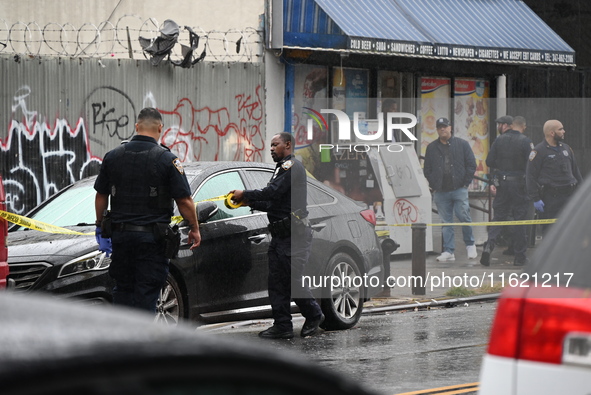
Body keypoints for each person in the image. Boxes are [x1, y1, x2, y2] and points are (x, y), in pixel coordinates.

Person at [94, 107, 201, 313]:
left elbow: (101, 195)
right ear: (160, 128)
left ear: (136, 126)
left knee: (123, 289)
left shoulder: (112, 156)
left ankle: (122, 341)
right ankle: (142, 342)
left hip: (121, 237)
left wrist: (100, 226)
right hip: (152, 241)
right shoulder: (167, 159)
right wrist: (195, 228)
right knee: (147, 291)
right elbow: (184, 200)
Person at [230, 132, 324, 339]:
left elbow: (271, 192)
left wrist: (245, 195)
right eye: (270, 145)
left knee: (293, 280)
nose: (271, 148)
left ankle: (314, 314)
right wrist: (249, 202)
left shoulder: (290, 167)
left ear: (288, 145)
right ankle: (283, 325)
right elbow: (273, 202)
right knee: (276, 282)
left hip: (295, 235)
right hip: (281, 236)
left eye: (275, 145)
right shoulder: (281, 168)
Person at [480, 116, 533, 267]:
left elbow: (489, 162)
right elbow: (531, 164)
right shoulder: (525, 141)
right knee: (520, 220)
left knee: (499, 217)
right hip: (519, 185)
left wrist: (500, 175)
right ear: (522, 126)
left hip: (502, 183)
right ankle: (519, 257)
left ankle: (489, 246)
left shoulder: (499, 140)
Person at [423, 117, 477, 262]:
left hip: (459, 188)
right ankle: (448, 250)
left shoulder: (462, 144)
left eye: (445, 126)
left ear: (450, 127)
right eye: (440, 127)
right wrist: (433, 184)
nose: (442, 129)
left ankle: (470, 244)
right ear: (437, 129)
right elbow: (427, 168)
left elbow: (471, 164)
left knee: (464, 216)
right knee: (446, 221)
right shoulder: (432, 147)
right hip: (440, 190)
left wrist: (465, 183)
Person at [526, 119, 582, 234]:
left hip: (569, 195)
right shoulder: (539, 151)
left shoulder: (566, 148)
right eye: (560, 129)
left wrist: (582, 191)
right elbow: (530, 176)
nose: (564, 131)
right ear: (552, 133)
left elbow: (575, 171)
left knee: (570, 230)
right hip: (551, 198)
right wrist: (535, 198)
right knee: (550, 232)